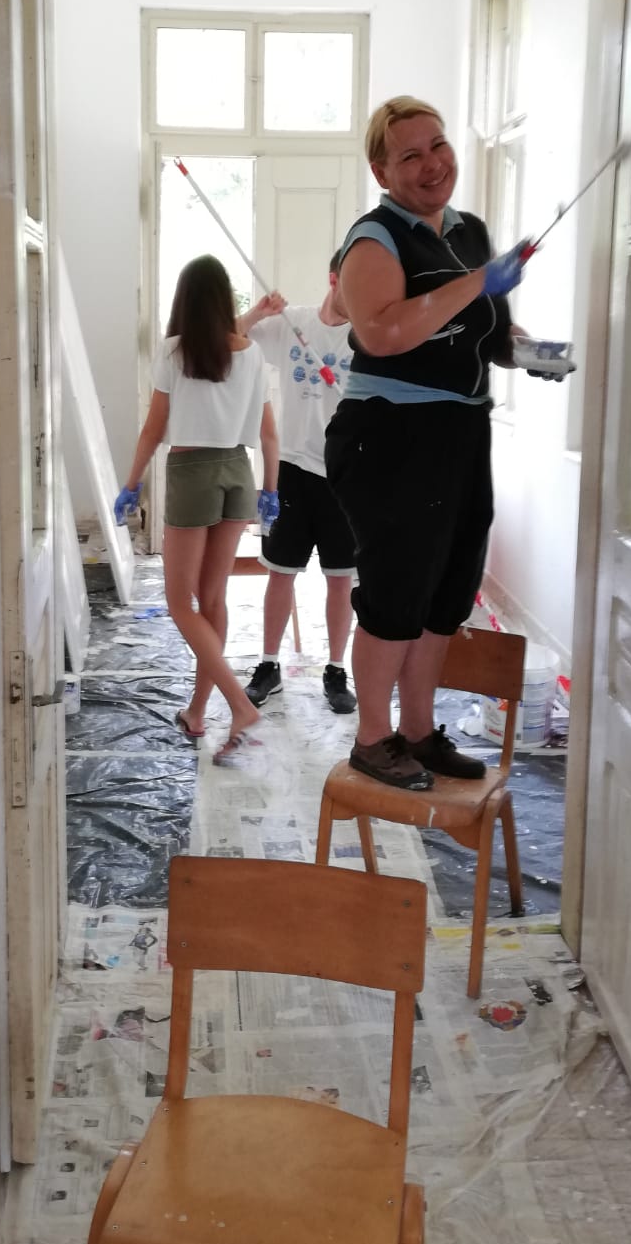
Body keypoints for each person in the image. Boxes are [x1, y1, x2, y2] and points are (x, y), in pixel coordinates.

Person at [326, 95, 565, 790]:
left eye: (438, 145)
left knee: (446, 595)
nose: (432, 163)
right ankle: (373, 738)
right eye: (411, 155)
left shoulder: (469, 231)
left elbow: (487, 333)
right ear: (382, 171)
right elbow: (382, 332)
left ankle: (419, 732)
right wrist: (478, 281)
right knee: (396, 594)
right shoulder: (375, 239)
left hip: (462, 430)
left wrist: (529, 352)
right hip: (391, 435)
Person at [115, 254, 279, 765]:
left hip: (192, 473)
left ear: (183, 301)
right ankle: (197, 711)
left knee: (180, 604)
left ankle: (238, 706)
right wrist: (271, 491)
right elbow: (269, 434)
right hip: (238, 472)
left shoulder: (174, 350)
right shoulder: (251, 354)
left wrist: (131, 483)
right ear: (226, 300)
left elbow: (153, 429)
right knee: (213, 599)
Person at [236, 256, 358, 715]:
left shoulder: (365, 339)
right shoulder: (294, 323)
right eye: (354, 283)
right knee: (280, 572)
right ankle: (269, 665)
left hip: (343, 475)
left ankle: (336, 671)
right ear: (333, 279)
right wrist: (258, 312)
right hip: (292, 470)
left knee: (340, 579)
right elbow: (230, 337)